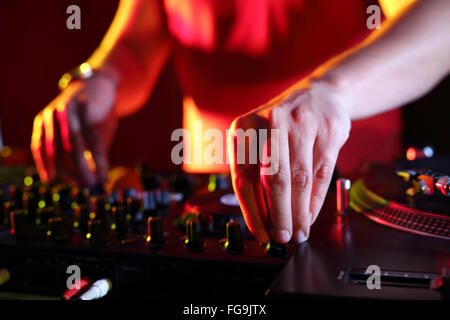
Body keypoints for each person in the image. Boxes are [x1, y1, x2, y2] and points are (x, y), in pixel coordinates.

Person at [30, 0, 450, 244]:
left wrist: (333, 90)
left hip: (354, 199)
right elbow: (138, 40)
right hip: (205, 194)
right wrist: (100, 78)